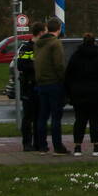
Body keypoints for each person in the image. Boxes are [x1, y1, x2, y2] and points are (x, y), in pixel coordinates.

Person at [65, 33, 98, 156]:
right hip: (97, 94)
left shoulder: (75, 57)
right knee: (95, 121)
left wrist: (70, 91)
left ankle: (77, 147)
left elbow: (69, 75)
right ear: (94, 42)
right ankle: (96, 146)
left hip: (79, 94)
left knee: (80, 120)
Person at [33, 17, 68, 154]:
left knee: (42, 116)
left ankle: (42, 146)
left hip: (41, 83)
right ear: (59, 29)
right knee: (56, 116)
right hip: (54, 83)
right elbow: (59, 64)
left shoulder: (38, 43)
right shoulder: (55, 43)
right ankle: (58, 146)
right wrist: (63, 79)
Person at [15, 21, 46, 151]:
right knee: (28, 117)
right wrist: (36, 66)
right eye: (45, 31)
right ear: (41, 33)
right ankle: (27, 144)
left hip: (40, 85)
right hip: (28, 86)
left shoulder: (43, 47)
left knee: (40, 116)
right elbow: (20, 65)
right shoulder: (26, 47)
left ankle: (39, 143)